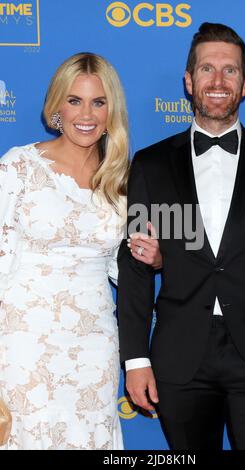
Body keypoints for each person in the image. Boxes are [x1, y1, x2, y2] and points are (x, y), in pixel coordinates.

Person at [118, 23, 245, 450]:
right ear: (188, 80)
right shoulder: (152, 165)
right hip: (182, 360)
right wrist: (136, 358)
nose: (218, 81)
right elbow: (138, 266)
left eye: (230, 71)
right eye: (206, 69)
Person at [0, 52, 161, 450]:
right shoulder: (18, 167)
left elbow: (120, 267)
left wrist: (156, 260)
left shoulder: (123, 180)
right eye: (74, 100)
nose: (86, 113)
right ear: (57, 106)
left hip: (95, 345)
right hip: (22, 342)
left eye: (98, 102)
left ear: (112, 110)